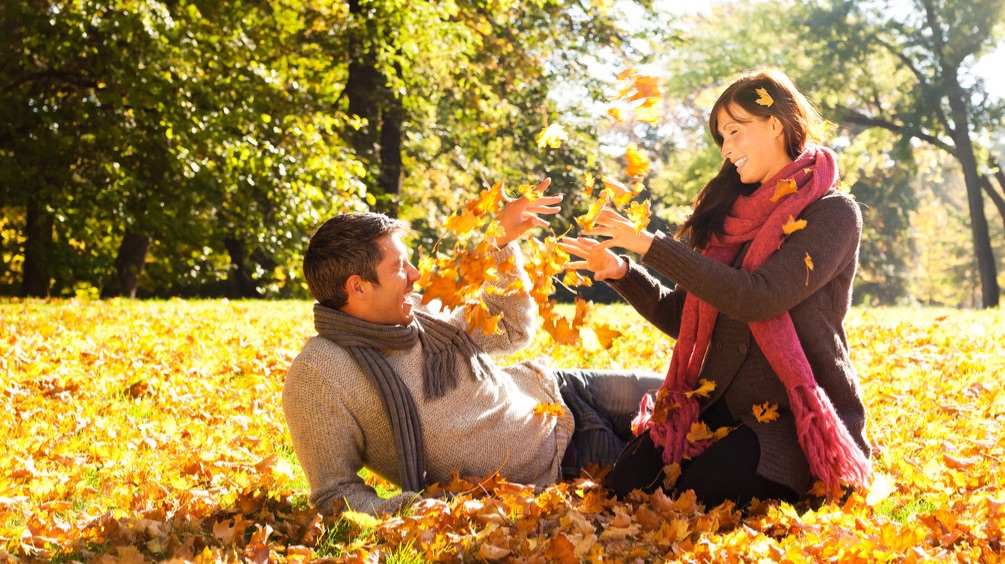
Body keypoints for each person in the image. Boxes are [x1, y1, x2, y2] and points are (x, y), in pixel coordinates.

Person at [560, 68, 871, 509]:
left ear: (775, 124)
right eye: (721, 138)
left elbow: (758, 297)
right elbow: (683, 315)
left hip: (790, 419)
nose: (725, 149)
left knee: (700, 492)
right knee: (625, 486)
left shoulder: (833, 213)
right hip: (716, 408)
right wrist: (621, 272)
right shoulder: (730, 218)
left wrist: (652, 246)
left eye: (734, 131)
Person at [282, 179, 664, 516]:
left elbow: (511, 329)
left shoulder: (419, 314)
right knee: (689, 466)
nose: (415, 275)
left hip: (563, 391)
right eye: (399, 268)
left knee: (688, 394)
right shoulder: (320, 375)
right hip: (566, 461)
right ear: (358, 287)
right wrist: (409, 509)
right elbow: (334, 492)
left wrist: (499, 244)